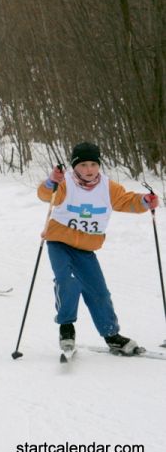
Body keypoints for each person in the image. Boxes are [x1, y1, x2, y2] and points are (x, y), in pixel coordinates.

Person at [40, 142, 157, 355]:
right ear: (74, 166)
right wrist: (51, 183)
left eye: (93, 164)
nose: (89, 169)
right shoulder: (65, 182)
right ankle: (66, 328)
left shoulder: (107, 187)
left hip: (86, 248)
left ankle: (111, 334)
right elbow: (45, 195)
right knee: (67, 282)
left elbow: (126, 201)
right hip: (59, 243)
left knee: (99, 292)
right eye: (83, 165)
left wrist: (144, 201)